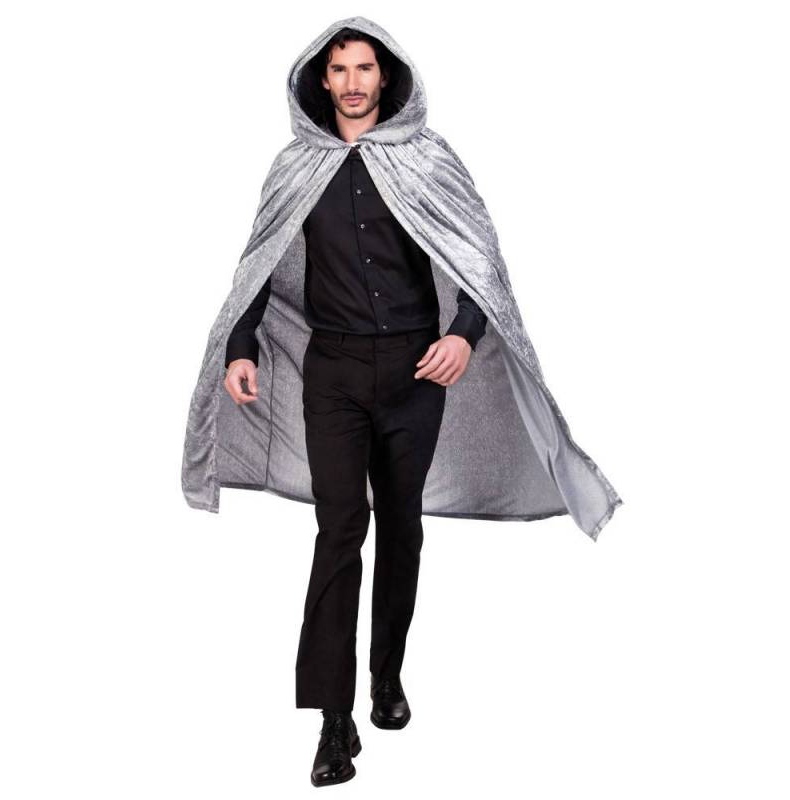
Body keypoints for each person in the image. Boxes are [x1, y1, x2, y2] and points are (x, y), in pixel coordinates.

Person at [222, 28, 487, 788]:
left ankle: (387, 675)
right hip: (332, 370)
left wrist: (463, 335)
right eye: (338, 69)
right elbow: (260, 261)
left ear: (386, 75)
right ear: (321, 80)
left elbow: (478, 257)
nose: (352, 81)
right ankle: (334, 720)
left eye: (364, 67)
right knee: (339, 529)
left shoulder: (428, 159)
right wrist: (241, 345)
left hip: (414, 370)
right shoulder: (296, 165)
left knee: (401, 525)